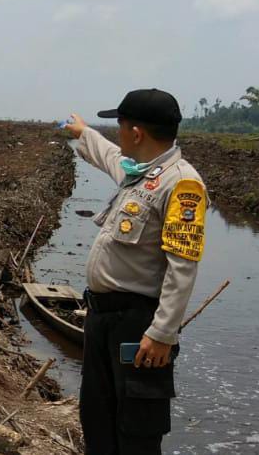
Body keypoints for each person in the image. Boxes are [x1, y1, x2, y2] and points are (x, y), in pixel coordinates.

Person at [64, 89, 207, 455]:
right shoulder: (141, 173)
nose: (118, 135)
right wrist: (83, 133)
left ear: (137, 133)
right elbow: (110, 156)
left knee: (136, 431)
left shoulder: (182, 184)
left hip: (137, 326)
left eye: (121, 127)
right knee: (97, 417)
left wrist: (161, 333)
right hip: (103, 319)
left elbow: (182, 267)